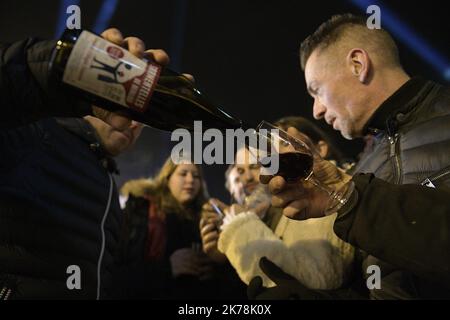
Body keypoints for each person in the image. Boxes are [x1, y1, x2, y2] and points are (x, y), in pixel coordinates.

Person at [262, 14, 450, 299]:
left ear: (358, 65)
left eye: (317, 91)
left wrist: (355, 199)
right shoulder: (362, 168)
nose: (316, 111)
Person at [0, 28, 170, 299]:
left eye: (143, 120)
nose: (134, 123)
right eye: (123, 104)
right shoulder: (36, 135)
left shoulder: (108, 186)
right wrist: (59, 70)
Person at [200, 117, 355, 296]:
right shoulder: (277, 210)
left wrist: (238, 226)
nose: (248, 177)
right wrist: (222, 257)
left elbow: (316, 277)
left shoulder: (313, 200)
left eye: (255, 166)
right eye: (240, 171)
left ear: (321, 148)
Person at [120, 157, 242, 299]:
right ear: (167, 178)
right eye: (183, 173)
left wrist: (215, 269)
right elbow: (122, 271)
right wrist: (168, 268)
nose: (190, 180)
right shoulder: (143, 211)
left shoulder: (208, 217)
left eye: (196, 176)